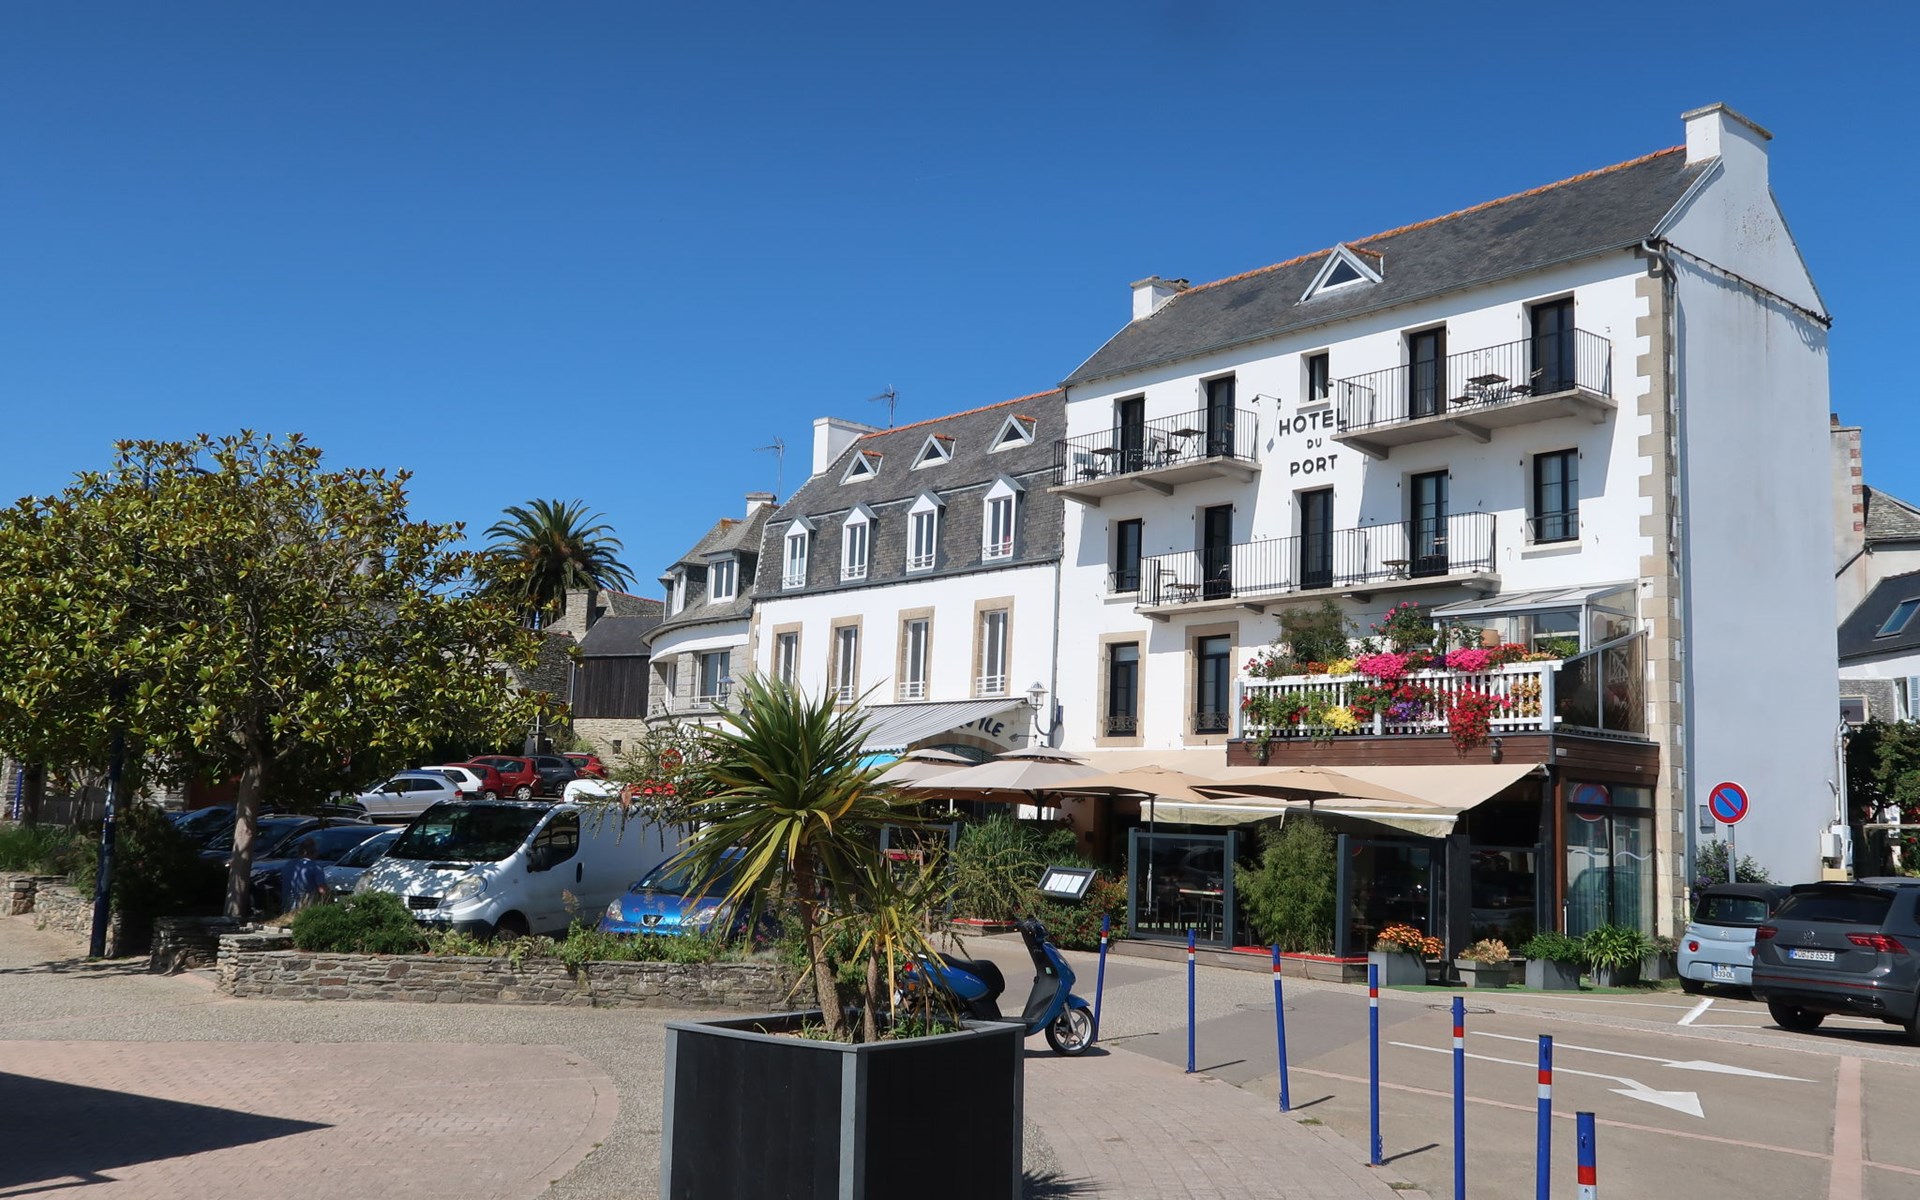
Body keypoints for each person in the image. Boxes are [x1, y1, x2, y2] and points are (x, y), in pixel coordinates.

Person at [282, 837, 329, 912]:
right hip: (305, 908)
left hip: (287, 906)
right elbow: (322, 890)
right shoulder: (315, 868)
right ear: (314, 852)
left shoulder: (288, 865)